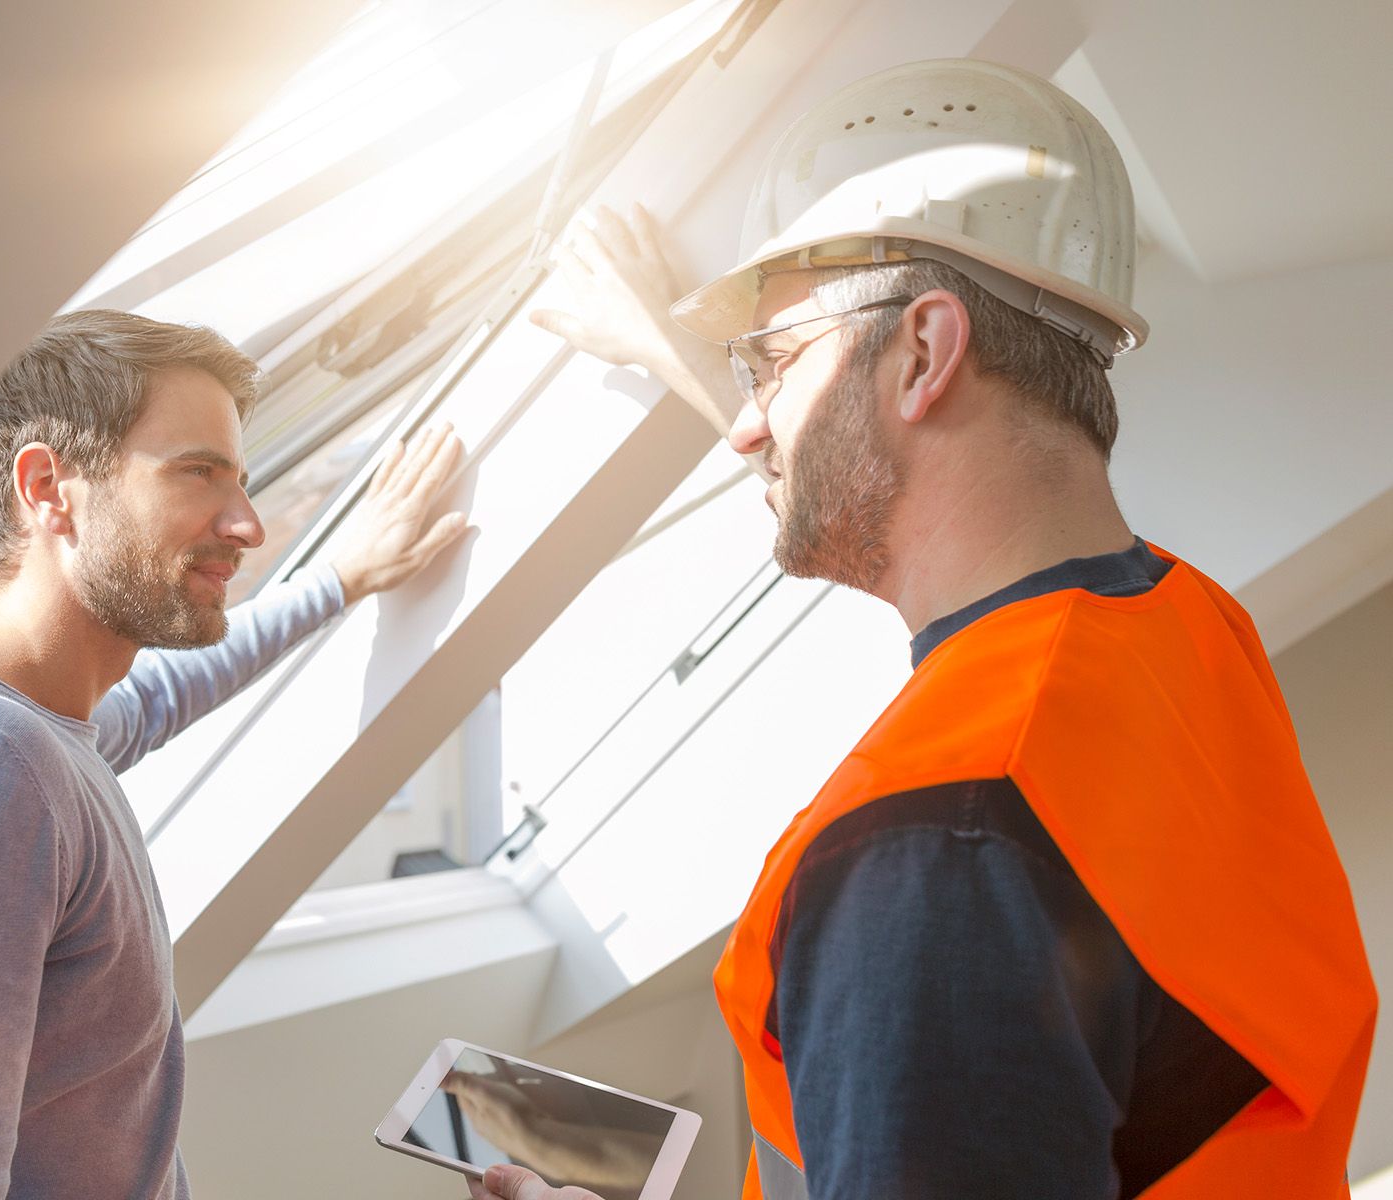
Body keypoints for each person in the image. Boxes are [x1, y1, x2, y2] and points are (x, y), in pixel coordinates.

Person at [475, 58, 1375, 1200]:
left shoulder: (932, 854)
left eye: (771, 367)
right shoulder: (1178, 624)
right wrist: (674, 349)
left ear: (925, 353)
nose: (749, 429)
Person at [0, 309, 467, 1199]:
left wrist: (343, 578)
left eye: (242, 481)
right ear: (47, 487)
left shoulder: (23, 723)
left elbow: (169, 692)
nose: (249, 524)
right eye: (198, 474)